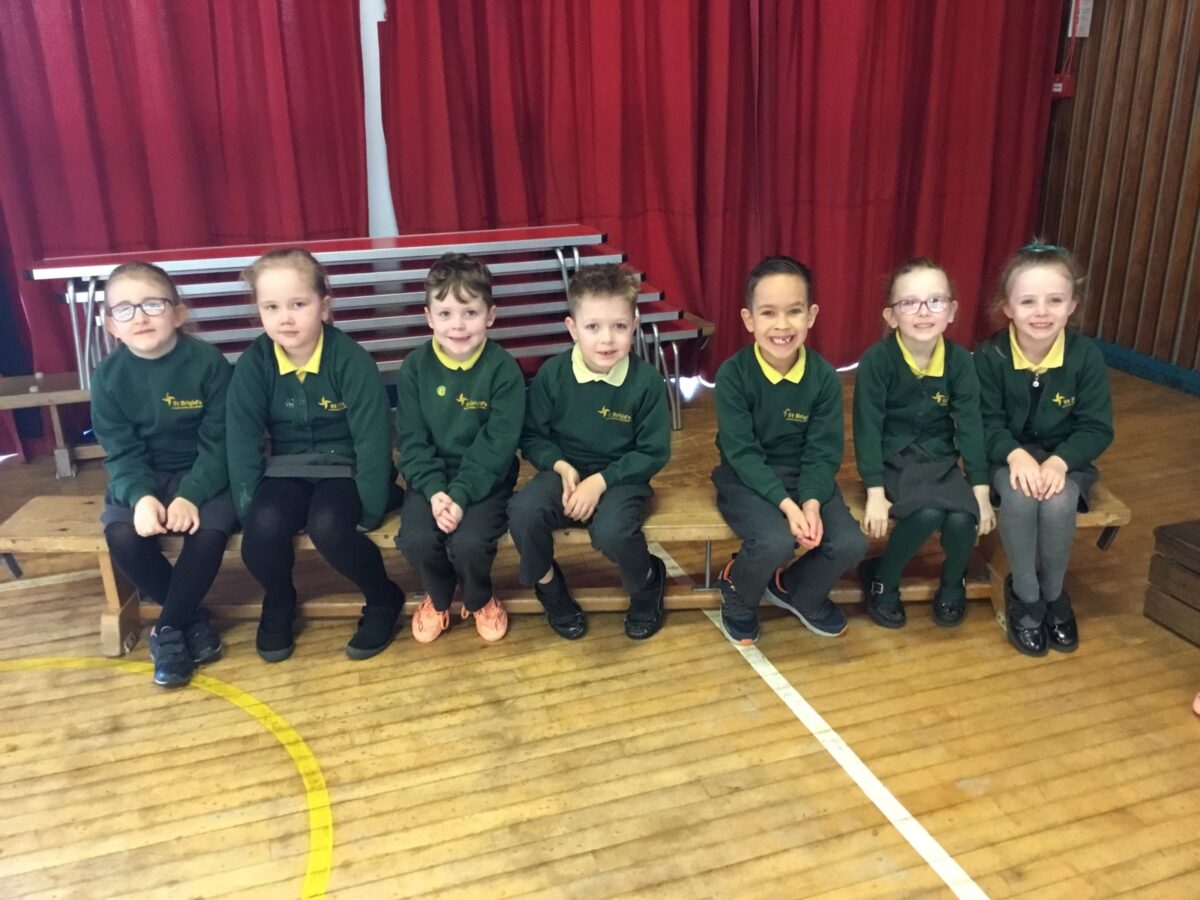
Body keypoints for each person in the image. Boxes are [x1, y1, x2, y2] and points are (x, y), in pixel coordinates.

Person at [226, 248, 404, 662]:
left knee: (329, 527)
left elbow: (373, 440)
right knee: (262, 532)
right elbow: (241, 439)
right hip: (285, 471)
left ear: (324, 307)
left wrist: (371, 506)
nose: (285, 318)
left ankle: (383, 597)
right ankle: (279, 599)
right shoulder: (254, 364)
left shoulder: (350, 360)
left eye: (298, 304)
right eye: (271, 307)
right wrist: (247, 508)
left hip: (345, 469)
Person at [508, 264, 671, 640]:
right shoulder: (553, 374)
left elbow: (653, 451)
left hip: (622, 477)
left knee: (613, 531)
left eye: (619, 326)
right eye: (593, 327)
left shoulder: (646, 381)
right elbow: (532, 437)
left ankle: (648, 582)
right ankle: (550, 588)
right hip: (565, 473)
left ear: (634, 325)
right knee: (523, 512)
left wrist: (600, 482)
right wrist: (561, 467)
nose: (606, 339)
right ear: (573, 328)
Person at [90, 261, 232, 687]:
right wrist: (140, 497)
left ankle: (167, 629)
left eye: (153, 304)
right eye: (125, 309)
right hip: (143, 475)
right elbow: (120, 450)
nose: (140, 317)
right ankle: (190, 619)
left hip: (204, 471)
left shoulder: (208, 363)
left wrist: (191, 494)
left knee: (208, 532)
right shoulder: (108, 376)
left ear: (178, 312)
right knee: (122, 536)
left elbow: (221, 442)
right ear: (111, 325)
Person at [712, 255, 866, 645]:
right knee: (775, 541)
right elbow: (742, 454)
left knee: (850, 543)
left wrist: (810, 502)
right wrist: (788, 507)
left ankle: (796, 589)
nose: (782, 325)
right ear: (749, 319)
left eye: (794, 311)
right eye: (768, 313)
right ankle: (738, 591)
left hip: (804, 477)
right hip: (746, 479)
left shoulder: (823, 377)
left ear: (811, 315)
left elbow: (823, 451)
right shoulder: (733, 374)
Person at [975, 242, 1113, 656]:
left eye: (1055, 300)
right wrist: (1014, 454)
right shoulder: (990, 355)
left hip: (1065, 461)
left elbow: (1097, 428)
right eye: (1028, 301)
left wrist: (1060, 462)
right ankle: (1026, 595)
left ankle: (1053, 595)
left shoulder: (1085, 355)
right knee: (1019, 496)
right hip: (1005, 458)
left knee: (1058, 500)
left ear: (1072, 305)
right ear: (1007, 307)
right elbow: (982, 422)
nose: (1042, 312)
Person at [852, 258, 995, 628]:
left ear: (952, 311)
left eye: (935, 301)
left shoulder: (960, 361)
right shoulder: (878, 360)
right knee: (927, 513)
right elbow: (867, 429)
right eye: (909, 303)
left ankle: (953, 581)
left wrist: (980, 490)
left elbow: (971, 426)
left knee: (963, 517)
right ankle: (884, 578)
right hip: (893, 462)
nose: (923, 311)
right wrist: (874, 492)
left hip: (939, 462)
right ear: (891, 316)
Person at [395, 253, 524, 642]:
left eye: (470, 312)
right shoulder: (414, 367)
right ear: (429, 317)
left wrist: (462, 494)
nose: (458, 325)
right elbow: (412, 440)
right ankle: (438, 596)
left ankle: (479, 596)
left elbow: (497, 445)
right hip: (430, 479)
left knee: (470, 543)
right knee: (416, 540)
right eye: (446, 313)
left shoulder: (503, 370)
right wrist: (436, 492)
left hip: (486, 478)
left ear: (490, 315)